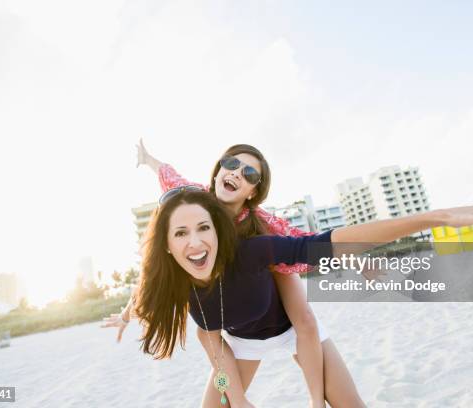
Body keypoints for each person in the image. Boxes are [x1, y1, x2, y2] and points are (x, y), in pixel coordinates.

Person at [107, 169, 473, 407]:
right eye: (180, 234)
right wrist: (235, 398)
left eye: (203, 227)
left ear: (218, 230)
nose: (195, 242)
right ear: (166, 244)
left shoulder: (254, 252)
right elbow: (213, 359)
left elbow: (335, 239)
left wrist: (440, 217)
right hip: (241, 345)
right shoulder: (170, 284)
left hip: (293, 330)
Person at [125, 141, 328, 407]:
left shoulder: (262, 227)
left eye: (250, 174)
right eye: (231, 163)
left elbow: (309, 244)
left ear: (255, 191)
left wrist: (355, 259)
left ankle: (316, 400)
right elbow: (169, 176)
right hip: (245, 336)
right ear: (219, 168)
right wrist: (148, 158)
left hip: (278, 309)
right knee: (219, 392)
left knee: (303, 317)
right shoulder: (197, 201)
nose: (236, 173)